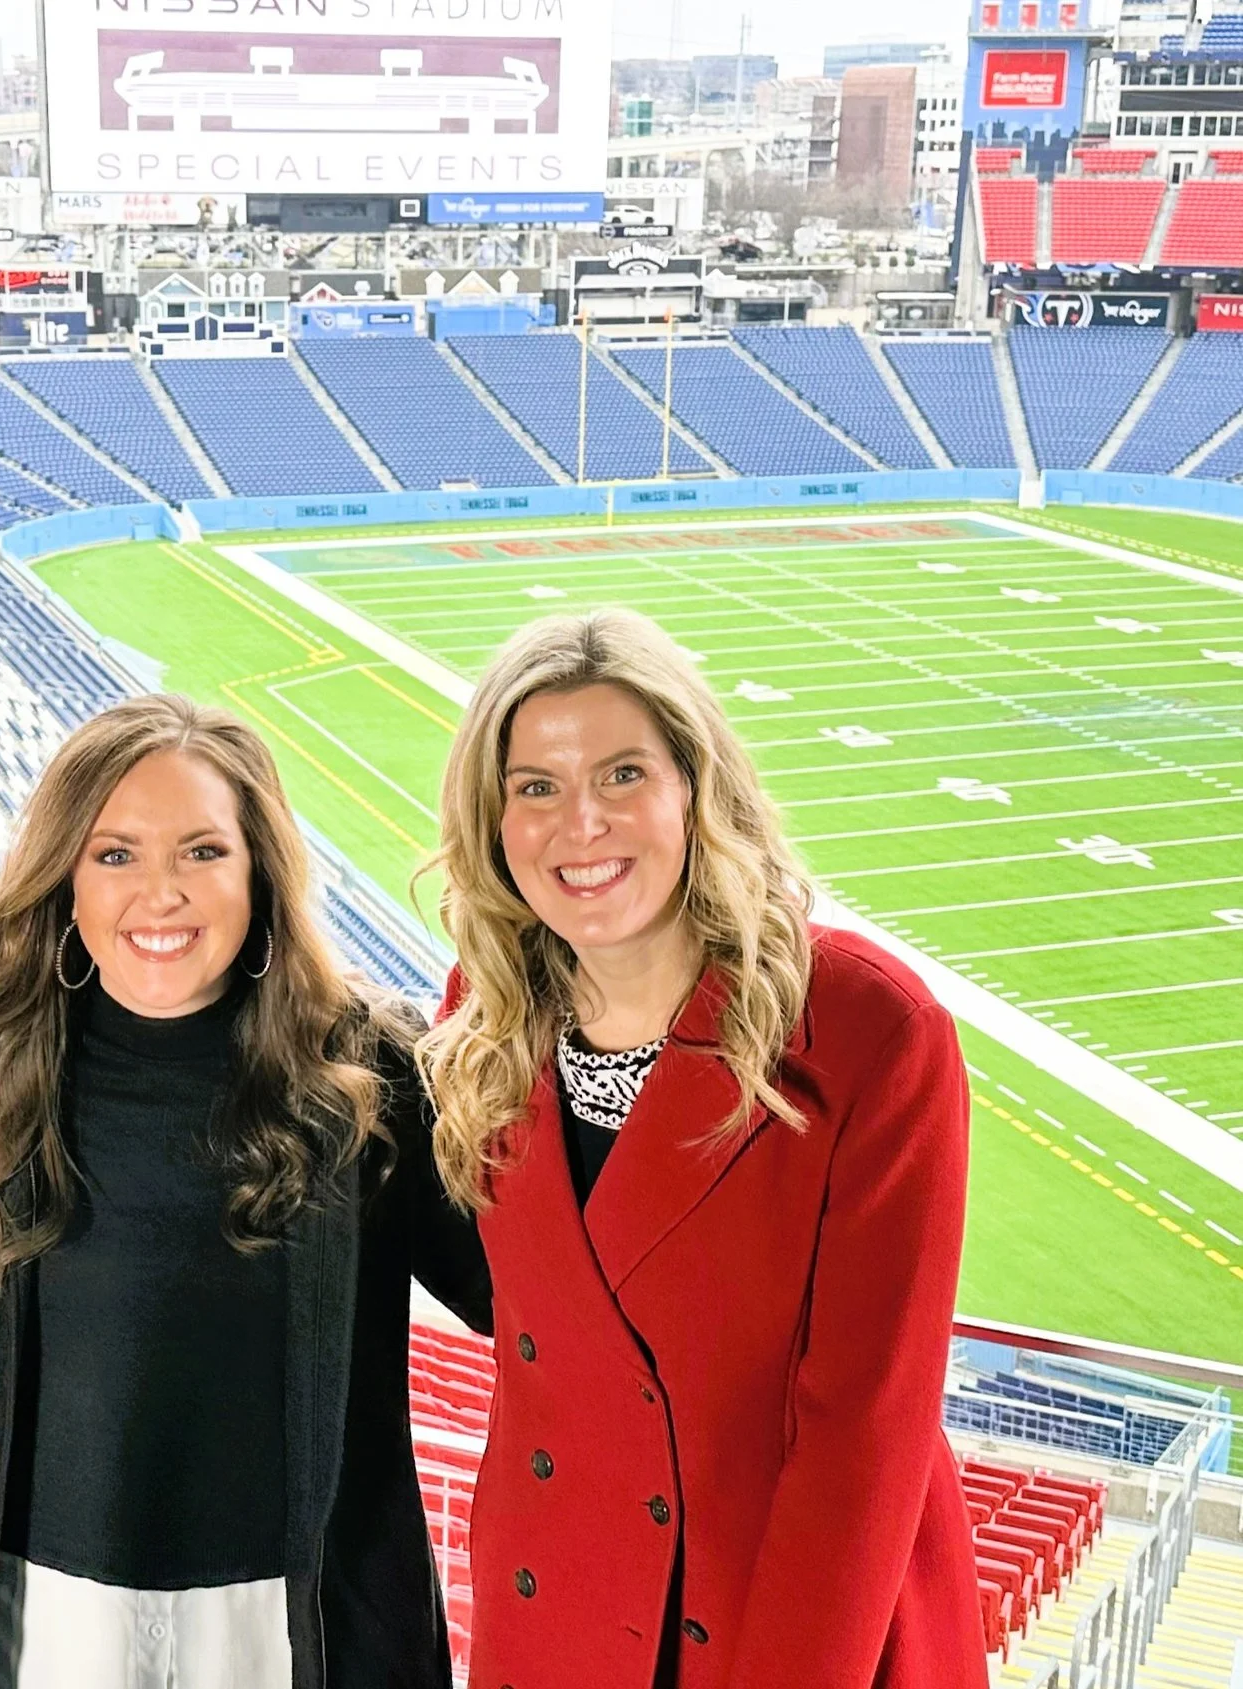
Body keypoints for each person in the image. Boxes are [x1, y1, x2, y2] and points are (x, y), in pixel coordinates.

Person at [416, 609, 982, 1689]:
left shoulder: (863, 1032)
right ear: (492, 825)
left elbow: (862, 1445)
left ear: (695, 788)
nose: (579, 824)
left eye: (622, 774)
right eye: (534, 786)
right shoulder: (478, 1020)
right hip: (554, 1616)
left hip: (784, 1627)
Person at [0, 693, 492, 1689]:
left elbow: (512, 1297)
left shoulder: (369, 1071)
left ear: (261, 869)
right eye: (115, 854)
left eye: (203, 852)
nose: (160, 893)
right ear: (65, 881)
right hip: (36, 1616)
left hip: (285, 1622)